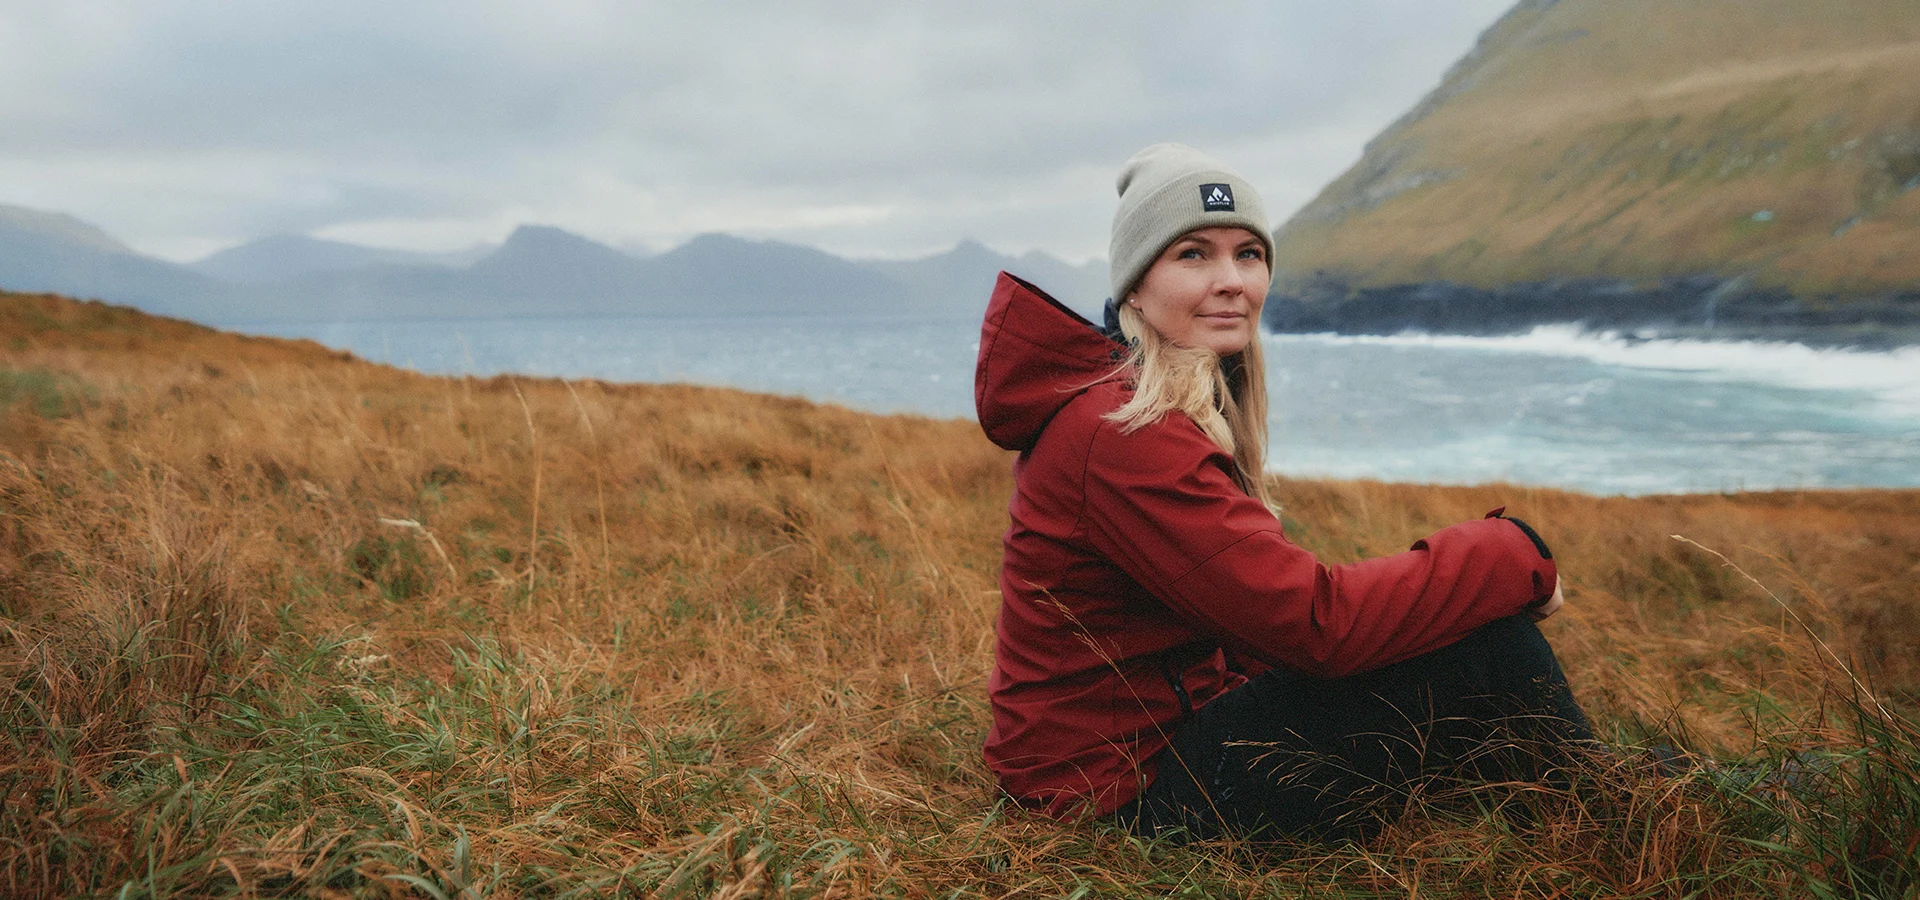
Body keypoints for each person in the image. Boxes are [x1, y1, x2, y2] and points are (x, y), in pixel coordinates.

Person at [972, 143, 1593, 840]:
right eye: (1193, 255)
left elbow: (1259, 624)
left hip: (1156, 747)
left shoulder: (1155, 408)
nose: (1232, 281)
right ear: (1135, 287)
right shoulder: (1122, 432)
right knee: (1487, 648)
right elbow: (1315, 625)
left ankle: (1573, 800)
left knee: (1445, 641)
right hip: (1114, 798)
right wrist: (1514, 555)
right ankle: (1611, 811)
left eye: (1249, 254)